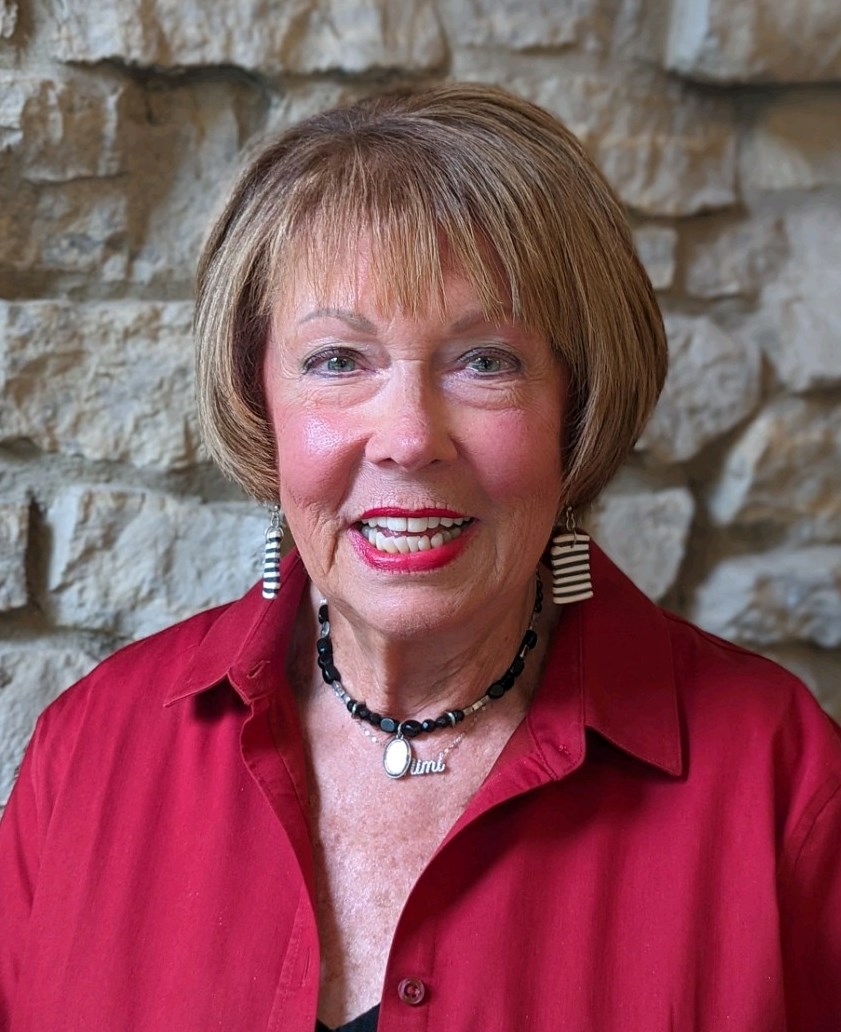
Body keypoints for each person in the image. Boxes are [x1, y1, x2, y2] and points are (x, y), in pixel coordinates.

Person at [1, 83, 840, 1032]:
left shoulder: (781, 785)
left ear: (577, 407)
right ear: (257, 400)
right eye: (337, 360)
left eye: (485, 361)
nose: (407, 439)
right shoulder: (91, 752)